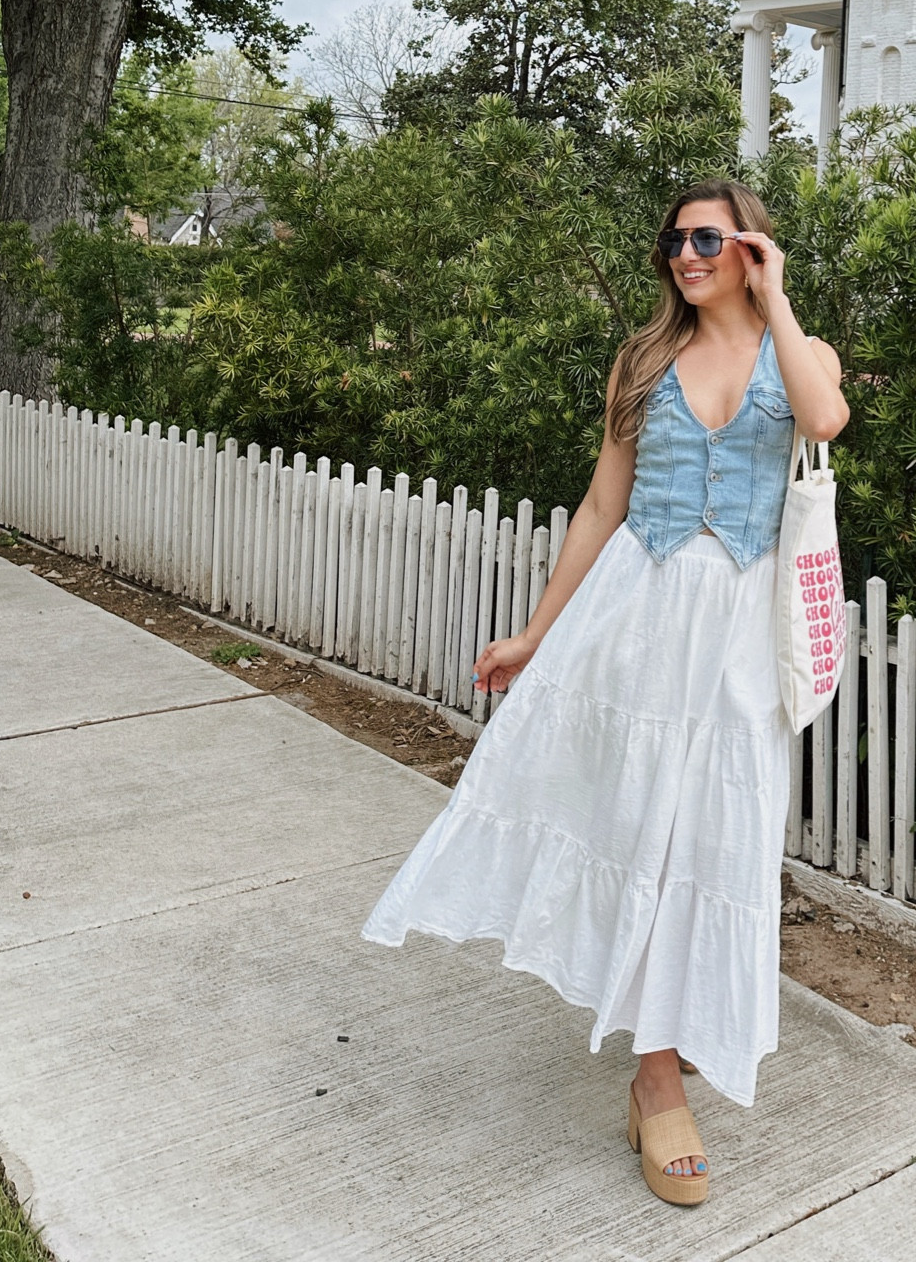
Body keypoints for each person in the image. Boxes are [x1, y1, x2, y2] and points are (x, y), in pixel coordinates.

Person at [362, 178, 849, 1207]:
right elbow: (600, 501)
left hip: (737, 647)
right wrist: (536, 633)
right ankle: (657, 1075)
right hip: (637, 623)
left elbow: (826, 416)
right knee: (638, 839)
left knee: (711, 842)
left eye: (708, 237)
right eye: (675, 239)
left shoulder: (796, 352)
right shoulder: (642, 359)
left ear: (750, 244)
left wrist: (781, 298)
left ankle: (664, 1056)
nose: (686, 253)